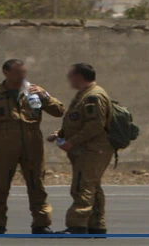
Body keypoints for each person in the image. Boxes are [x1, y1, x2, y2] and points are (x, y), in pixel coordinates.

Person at [0, 59, 65, 234]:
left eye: (24, 72)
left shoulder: (33, 91)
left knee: (37, 183)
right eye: (18, 72)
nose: (22, 76)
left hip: (32, 141)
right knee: (0, 183)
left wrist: (45, 96)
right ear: (6, 73)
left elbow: (59, 111)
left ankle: (41, 223)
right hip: (4, 141)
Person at [48, 63, 114, 236]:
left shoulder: (94, 96)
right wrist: (60, 134)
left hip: (92, 150)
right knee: (92, 186)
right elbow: (77, 121)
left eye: (70, 75)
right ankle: (96, 225)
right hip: (87, 149)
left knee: (81, 186)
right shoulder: (83, 95)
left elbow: (95, 125)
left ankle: (76, 225)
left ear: (79, 76)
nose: (69, 79)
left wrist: (72, 141)